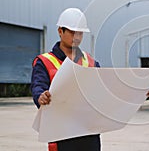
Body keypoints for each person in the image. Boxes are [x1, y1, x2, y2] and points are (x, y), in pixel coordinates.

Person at [31, 8, 101, 151]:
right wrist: (41, 97)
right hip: (61, 133)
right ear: (60, 31)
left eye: (80, 33)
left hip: (89, 132)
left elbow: (105, 89)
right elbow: (38, 87)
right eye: (72, 32)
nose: (77, 37)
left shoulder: (91, 62)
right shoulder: (44, 61)